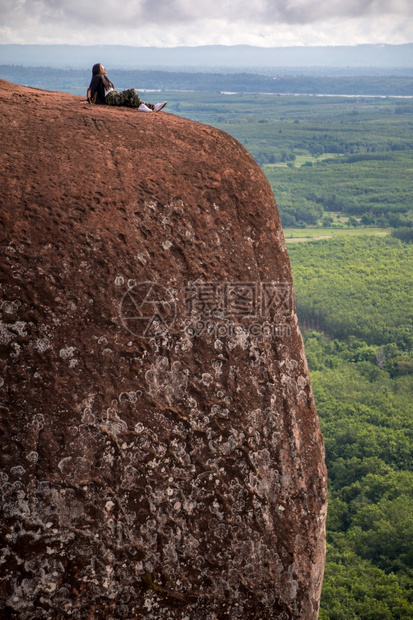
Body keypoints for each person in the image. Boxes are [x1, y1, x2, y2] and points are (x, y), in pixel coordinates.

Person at [87, 64, 167, 113]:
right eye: (102, 67)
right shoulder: (97, 77)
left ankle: (154, 107)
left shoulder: (104, 78)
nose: (104, 68)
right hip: (110, 98)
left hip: (114, 96)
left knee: (132, 101)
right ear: (98, 70)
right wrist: (88, 100)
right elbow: (92, 89)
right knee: (132, 91)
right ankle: (142, 106)